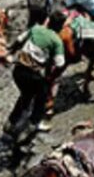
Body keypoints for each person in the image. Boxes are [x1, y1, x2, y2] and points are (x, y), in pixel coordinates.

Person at [5, 10, 67, 139]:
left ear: (49, 21)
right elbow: (60, 63)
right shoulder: (57, 41)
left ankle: (11, 122)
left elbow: (19, 40)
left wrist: (10, 51)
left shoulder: (35, 28)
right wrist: (50, 76)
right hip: (32, 74)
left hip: (18, 71)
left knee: (26, 95)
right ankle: (34, 123)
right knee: (42, 94)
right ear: (61, 26)